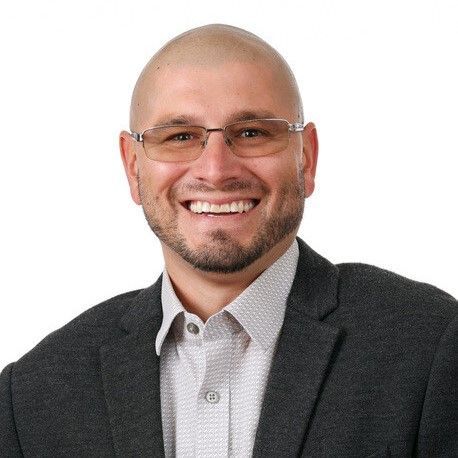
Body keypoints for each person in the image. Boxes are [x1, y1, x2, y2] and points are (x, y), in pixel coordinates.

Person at [0, 23, 456, 458]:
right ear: (132, 167)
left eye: (253, 132)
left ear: (307, 157)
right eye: (179, 136)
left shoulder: (433, 347)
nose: (216, 170)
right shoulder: (32, 397)